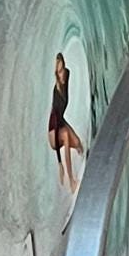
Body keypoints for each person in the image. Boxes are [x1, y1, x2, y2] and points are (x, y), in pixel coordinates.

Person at [48, 50, 85, 190]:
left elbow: (62, 119)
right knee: (66, 136)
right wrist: (59, 162)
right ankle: (72, 182)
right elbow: (57, 124)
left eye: (62, 69)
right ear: (56, 74)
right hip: (53, 132)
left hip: (61, 122)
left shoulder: (67, 74)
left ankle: (85, 158)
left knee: (78, 144)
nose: (62, 74)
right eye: (58, 72)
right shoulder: (56, 94)